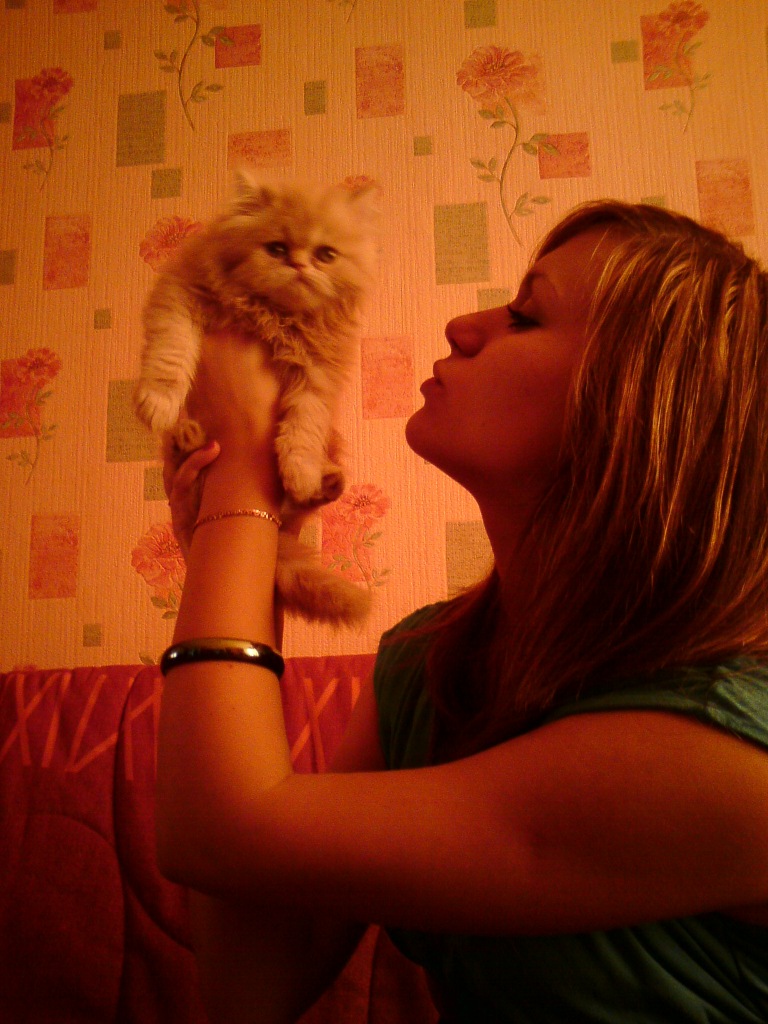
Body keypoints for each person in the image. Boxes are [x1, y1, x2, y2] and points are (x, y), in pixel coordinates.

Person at [156, 200, 768, 1023]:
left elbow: (220, 829)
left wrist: (241, 478)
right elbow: (254, 987)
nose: (462, 326)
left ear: (645, 406)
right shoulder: (427, 666)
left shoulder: (729, 754)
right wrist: (229, 543)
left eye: (526, 315)